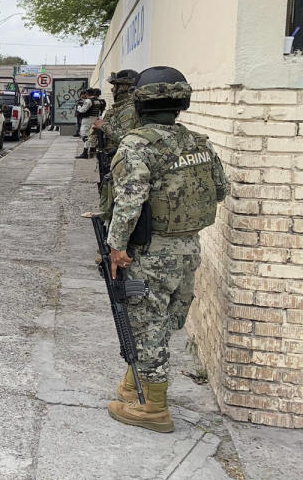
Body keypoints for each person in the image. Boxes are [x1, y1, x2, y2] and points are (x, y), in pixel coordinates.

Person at [105, 66, 228, 433]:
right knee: (160, 322)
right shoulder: (198, 144)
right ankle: (134, 384)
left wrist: (115, 249)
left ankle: (154, 408)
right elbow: (220, 190)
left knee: (146, 324)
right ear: (181, 103)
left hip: (151, 253)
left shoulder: (138, 144)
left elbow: (128, 204)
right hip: (188, 248)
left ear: (141, 102)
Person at [90, 69, 140, 214]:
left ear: (124, 87)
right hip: (112, 161)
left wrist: (103, 126)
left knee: (116, 204)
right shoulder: (120, 108)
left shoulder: (129, 109)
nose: (113, 89)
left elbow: (125, 137)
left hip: (122, 164)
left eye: (115, 85)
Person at [75, 89, 104, 156]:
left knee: (84, 135)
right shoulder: (99, 101)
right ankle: (92, 150)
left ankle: (85, 152)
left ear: (88, 94)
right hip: (95, 119)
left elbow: (82, 110)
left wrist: (79, 107)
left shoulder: (89, 101)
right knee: (93, 134)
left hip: (87, 119)